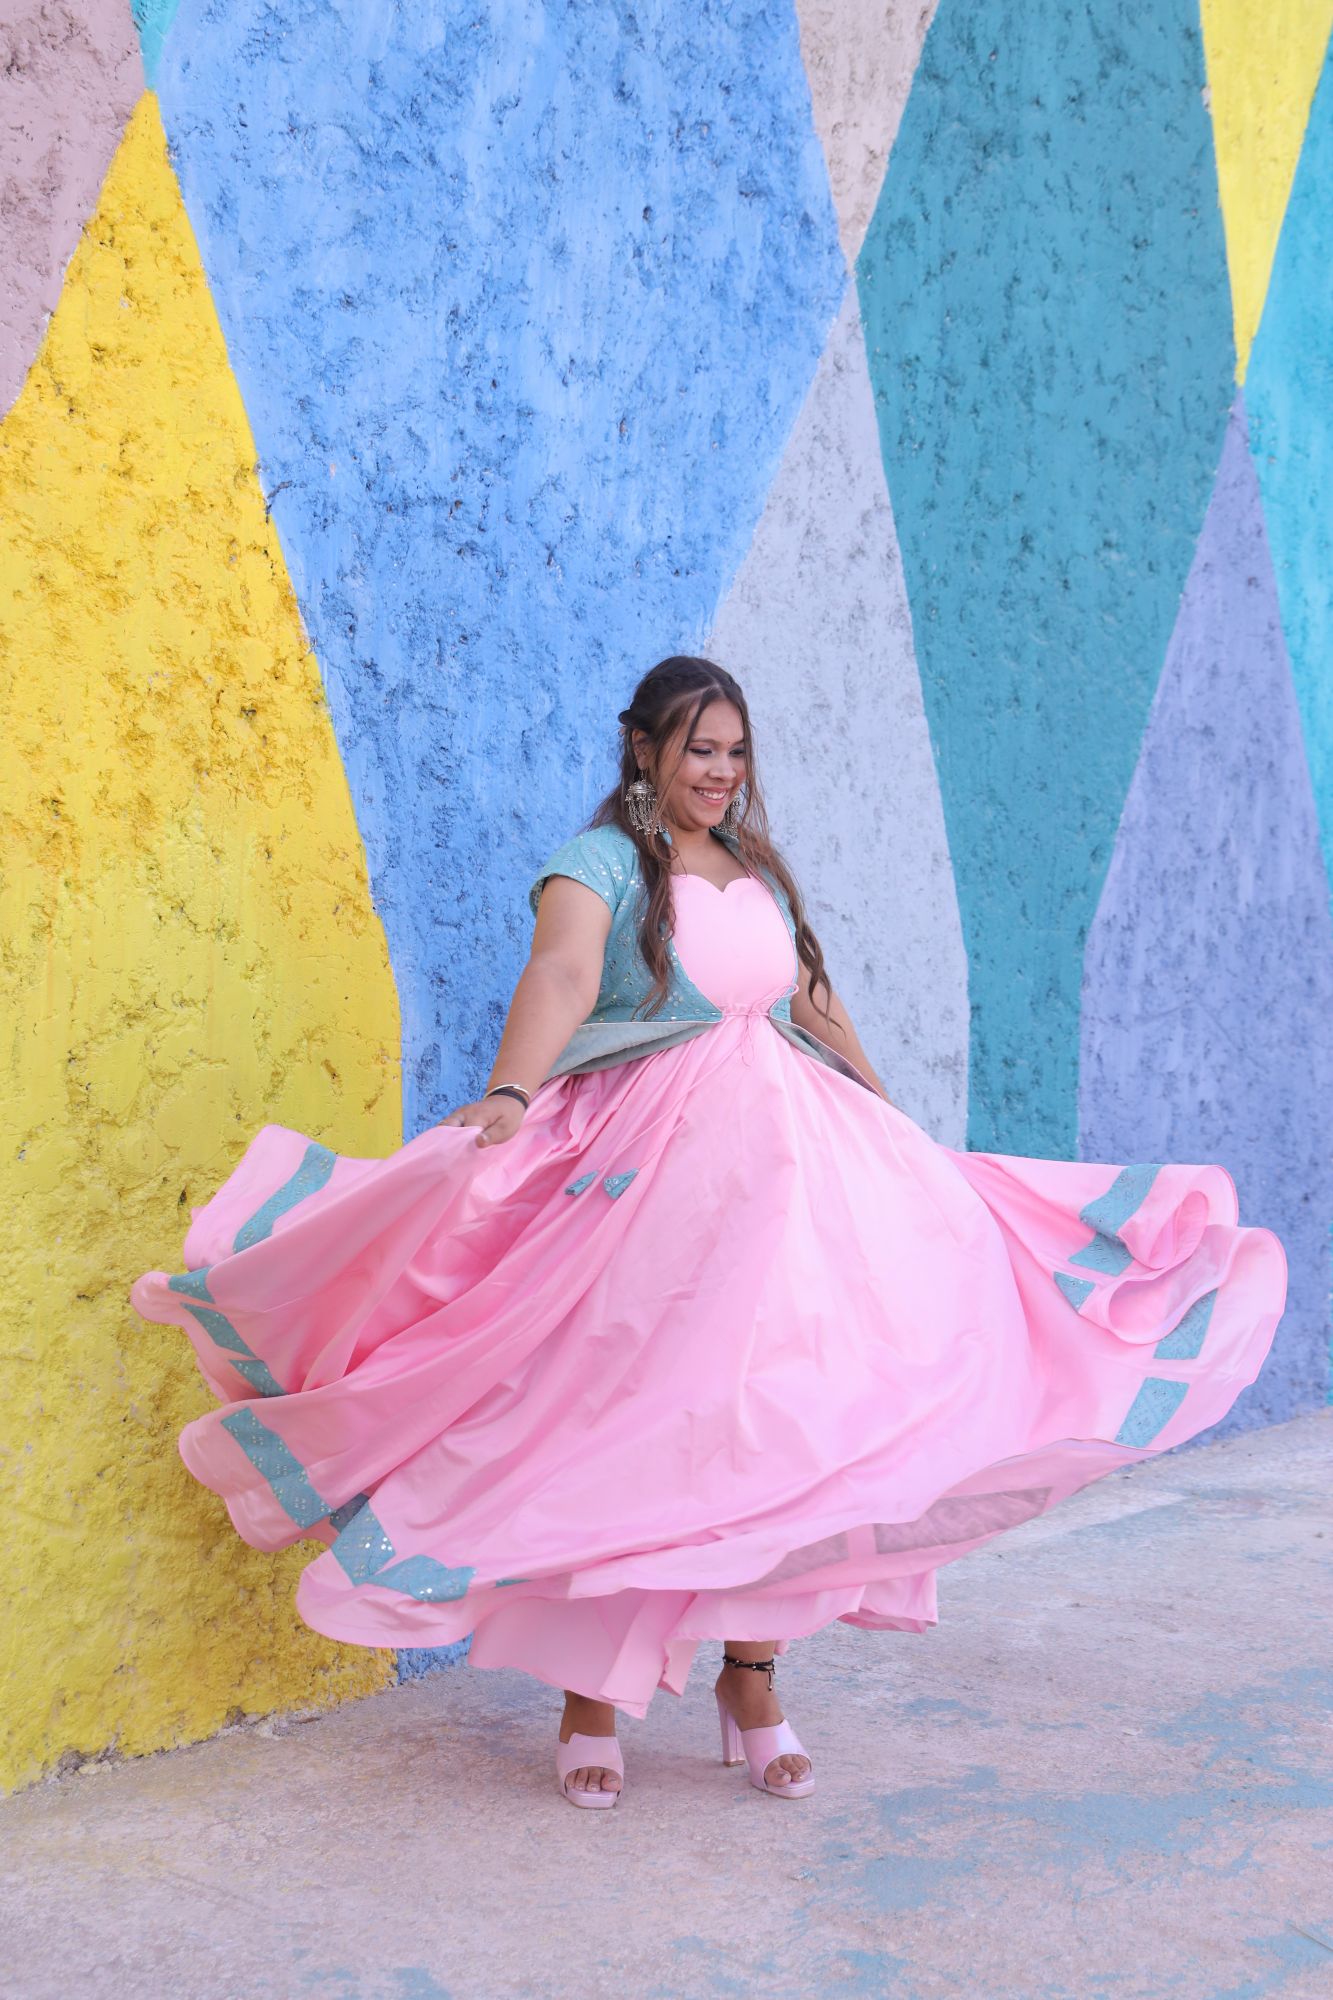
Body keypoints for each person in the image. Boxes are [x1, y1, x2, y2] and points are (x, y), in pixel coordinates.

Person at [131, 655, 1287, 1810]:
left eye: (734, 752)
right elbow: (564, 970)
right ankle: (591, 1700)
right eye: (699, 750)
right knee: (636, 1421)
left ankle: (752, 1680)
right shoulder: (598, 866)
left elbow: (805, 1002)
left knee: (791, 1424)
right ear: (643, 747)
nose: (721, 773)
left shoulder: (752, 866)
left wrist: (891, 1117)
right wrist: (511, 1094)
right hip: (660, 1180)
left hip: (798, 1178)